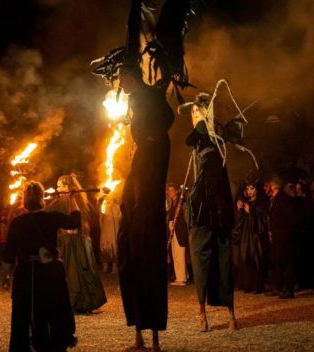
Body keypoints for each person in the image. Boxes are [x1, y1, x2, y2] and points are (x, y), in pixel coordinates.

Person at [117, 63, 174, 349]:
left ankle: (152, 338)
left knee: (147, 257)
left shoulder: (151, 98)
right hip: (141, 162)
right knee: (129, 258)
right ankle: (138, 333)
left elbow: (167, 116)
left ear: (131, 77)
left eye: (122, 78)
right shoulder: (135, 100)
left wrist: (151, 138)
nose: (121, 84)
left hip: (149, 168)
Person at [179, 92, 236, 331]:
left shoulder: (212, 133)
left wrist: (204, 115)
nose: (193, 116)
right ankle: (202, 313)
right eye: (192, 112)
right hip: (203, 207)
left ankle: (231, 313)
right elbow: (190, 139)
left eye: (196, 111)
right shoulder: (204, 136)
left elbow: (192, 135)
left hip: (216, 206)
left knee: (223, 262)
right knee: (202, 262)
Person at [1, 181, 80, 352]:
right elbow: (75, 222)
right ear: (42, 198)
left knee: (26, 313)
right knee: (52, 309)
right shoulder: (51, 218)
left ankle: (30, 346)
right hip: (49, 273)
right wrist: (72, 199)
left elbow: (9, 254)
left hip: (26, 275)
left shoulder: (18, 222)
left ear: (24, 200)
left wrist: (5, 276)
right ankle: (52, 345)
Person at [46, 174, 106, 314]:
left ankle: (82, 302)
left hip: (76, 242)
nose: (57, 188)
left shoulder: (73, 201)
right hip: (72, 242)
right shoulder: (60, 201)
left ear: (68, 187)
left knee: (80, 272)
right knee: (74, 272)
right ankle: (77, 302)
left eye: (60, 186)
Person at [266, 178, 298, 299]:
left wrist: (286, 231)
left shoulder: (283, 199)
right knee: (279, 262)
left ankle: (288, 289)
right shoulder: (278, 199)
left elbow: (291, 217)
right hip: (280, 236)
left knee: (287, 262)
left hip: (284, 237)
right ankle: (280, 287)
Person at [236, 182, 269, 293]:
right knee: (246, 257)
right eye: (247, 189)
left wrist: (250, 211)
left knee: (256, 258)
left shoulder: (261, 203)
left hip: (256, 236)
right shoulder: (247, 202)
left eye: (251, 188)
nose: (249, 191)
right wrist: (240, 209)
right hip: (246, 235)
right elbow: (240, 220)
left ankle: (258, 286)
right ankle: (248, 285)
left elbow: (263, 219)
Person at [166, 183, 189, 286]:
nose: (170, 192)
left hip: (179, 230)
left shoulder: (180, 201)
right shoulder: (172, 203)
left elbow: (183, 216)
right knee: (175, 255)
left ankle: (182, 278)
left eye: (172, 190)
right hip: (173, 231)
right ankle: (181, 276)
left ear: (175, 191)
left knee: (180, 255)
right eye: (169, 191)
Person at [98, 193, 121, 273]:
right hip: (106, 231)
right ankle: (105, 266)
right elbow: (100, 219)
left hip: (115, 230)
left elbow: (120, 218)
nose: (108, 198)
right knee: (105, 246)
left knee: (114, 247)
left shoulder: (117, 207)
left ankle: (114, 267)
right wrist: (103, 229)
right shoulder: (103, 207)